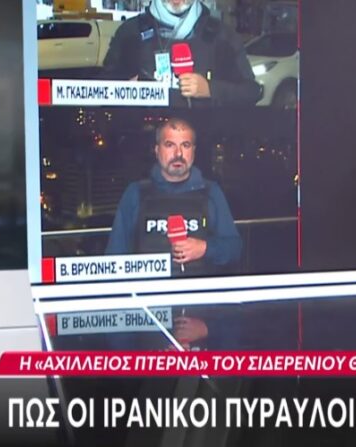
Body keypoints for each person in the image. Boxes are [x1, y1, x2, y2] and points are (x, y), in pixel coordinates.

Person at [106, 118, 242, 349]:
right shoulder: (136, 194)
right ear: (157, 150)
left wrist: (206, 248)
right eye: (170, 145)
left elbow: (235, 249)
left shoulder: (211, 193)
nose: (178, 154)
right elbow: (114, 261)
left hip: (201, 314)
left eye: (185, 145)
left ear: (194, 151)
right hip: (147, 319)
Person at [101, 0, 262, 107]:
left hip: (203, 139)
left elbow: (251, 92)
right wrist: (126, 89)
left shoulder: (222, 36)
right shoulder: (130, 32)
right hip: (145, 139)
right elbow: (101, 90)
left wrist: (210, 90)